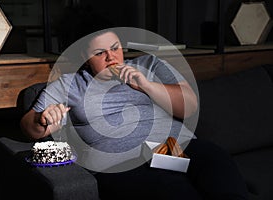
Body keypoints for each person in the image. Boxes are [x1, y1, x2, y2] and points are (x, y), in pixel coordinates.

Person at [20, 29, 248, 200]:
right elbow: (29, 127)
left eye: (115, 47)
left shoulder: (148, 64)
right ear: (85, 58)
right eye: (100, 53)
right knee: (173, 189)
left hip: (165, 147)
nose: (111, 57)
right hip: (117, 162)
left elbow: (189, 106)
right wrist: (43, 120)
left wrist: (147, 86)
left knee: (213, 162)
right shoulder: (71, 85)